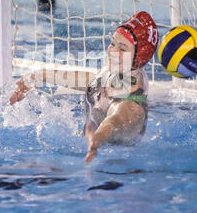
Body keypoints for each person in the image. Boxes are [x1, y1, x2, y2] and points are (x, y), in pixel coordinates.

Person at [9, 11, 159, 163]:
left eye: (122, 48)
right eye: (112, 43)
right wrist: (41, 76)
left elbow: (115, 121)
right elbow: (95, 82)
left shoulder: (132, 104)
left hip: (109, 169)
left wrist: (96, 139)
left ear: (139, 56)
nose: (113, 51)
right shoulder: (123, 70)